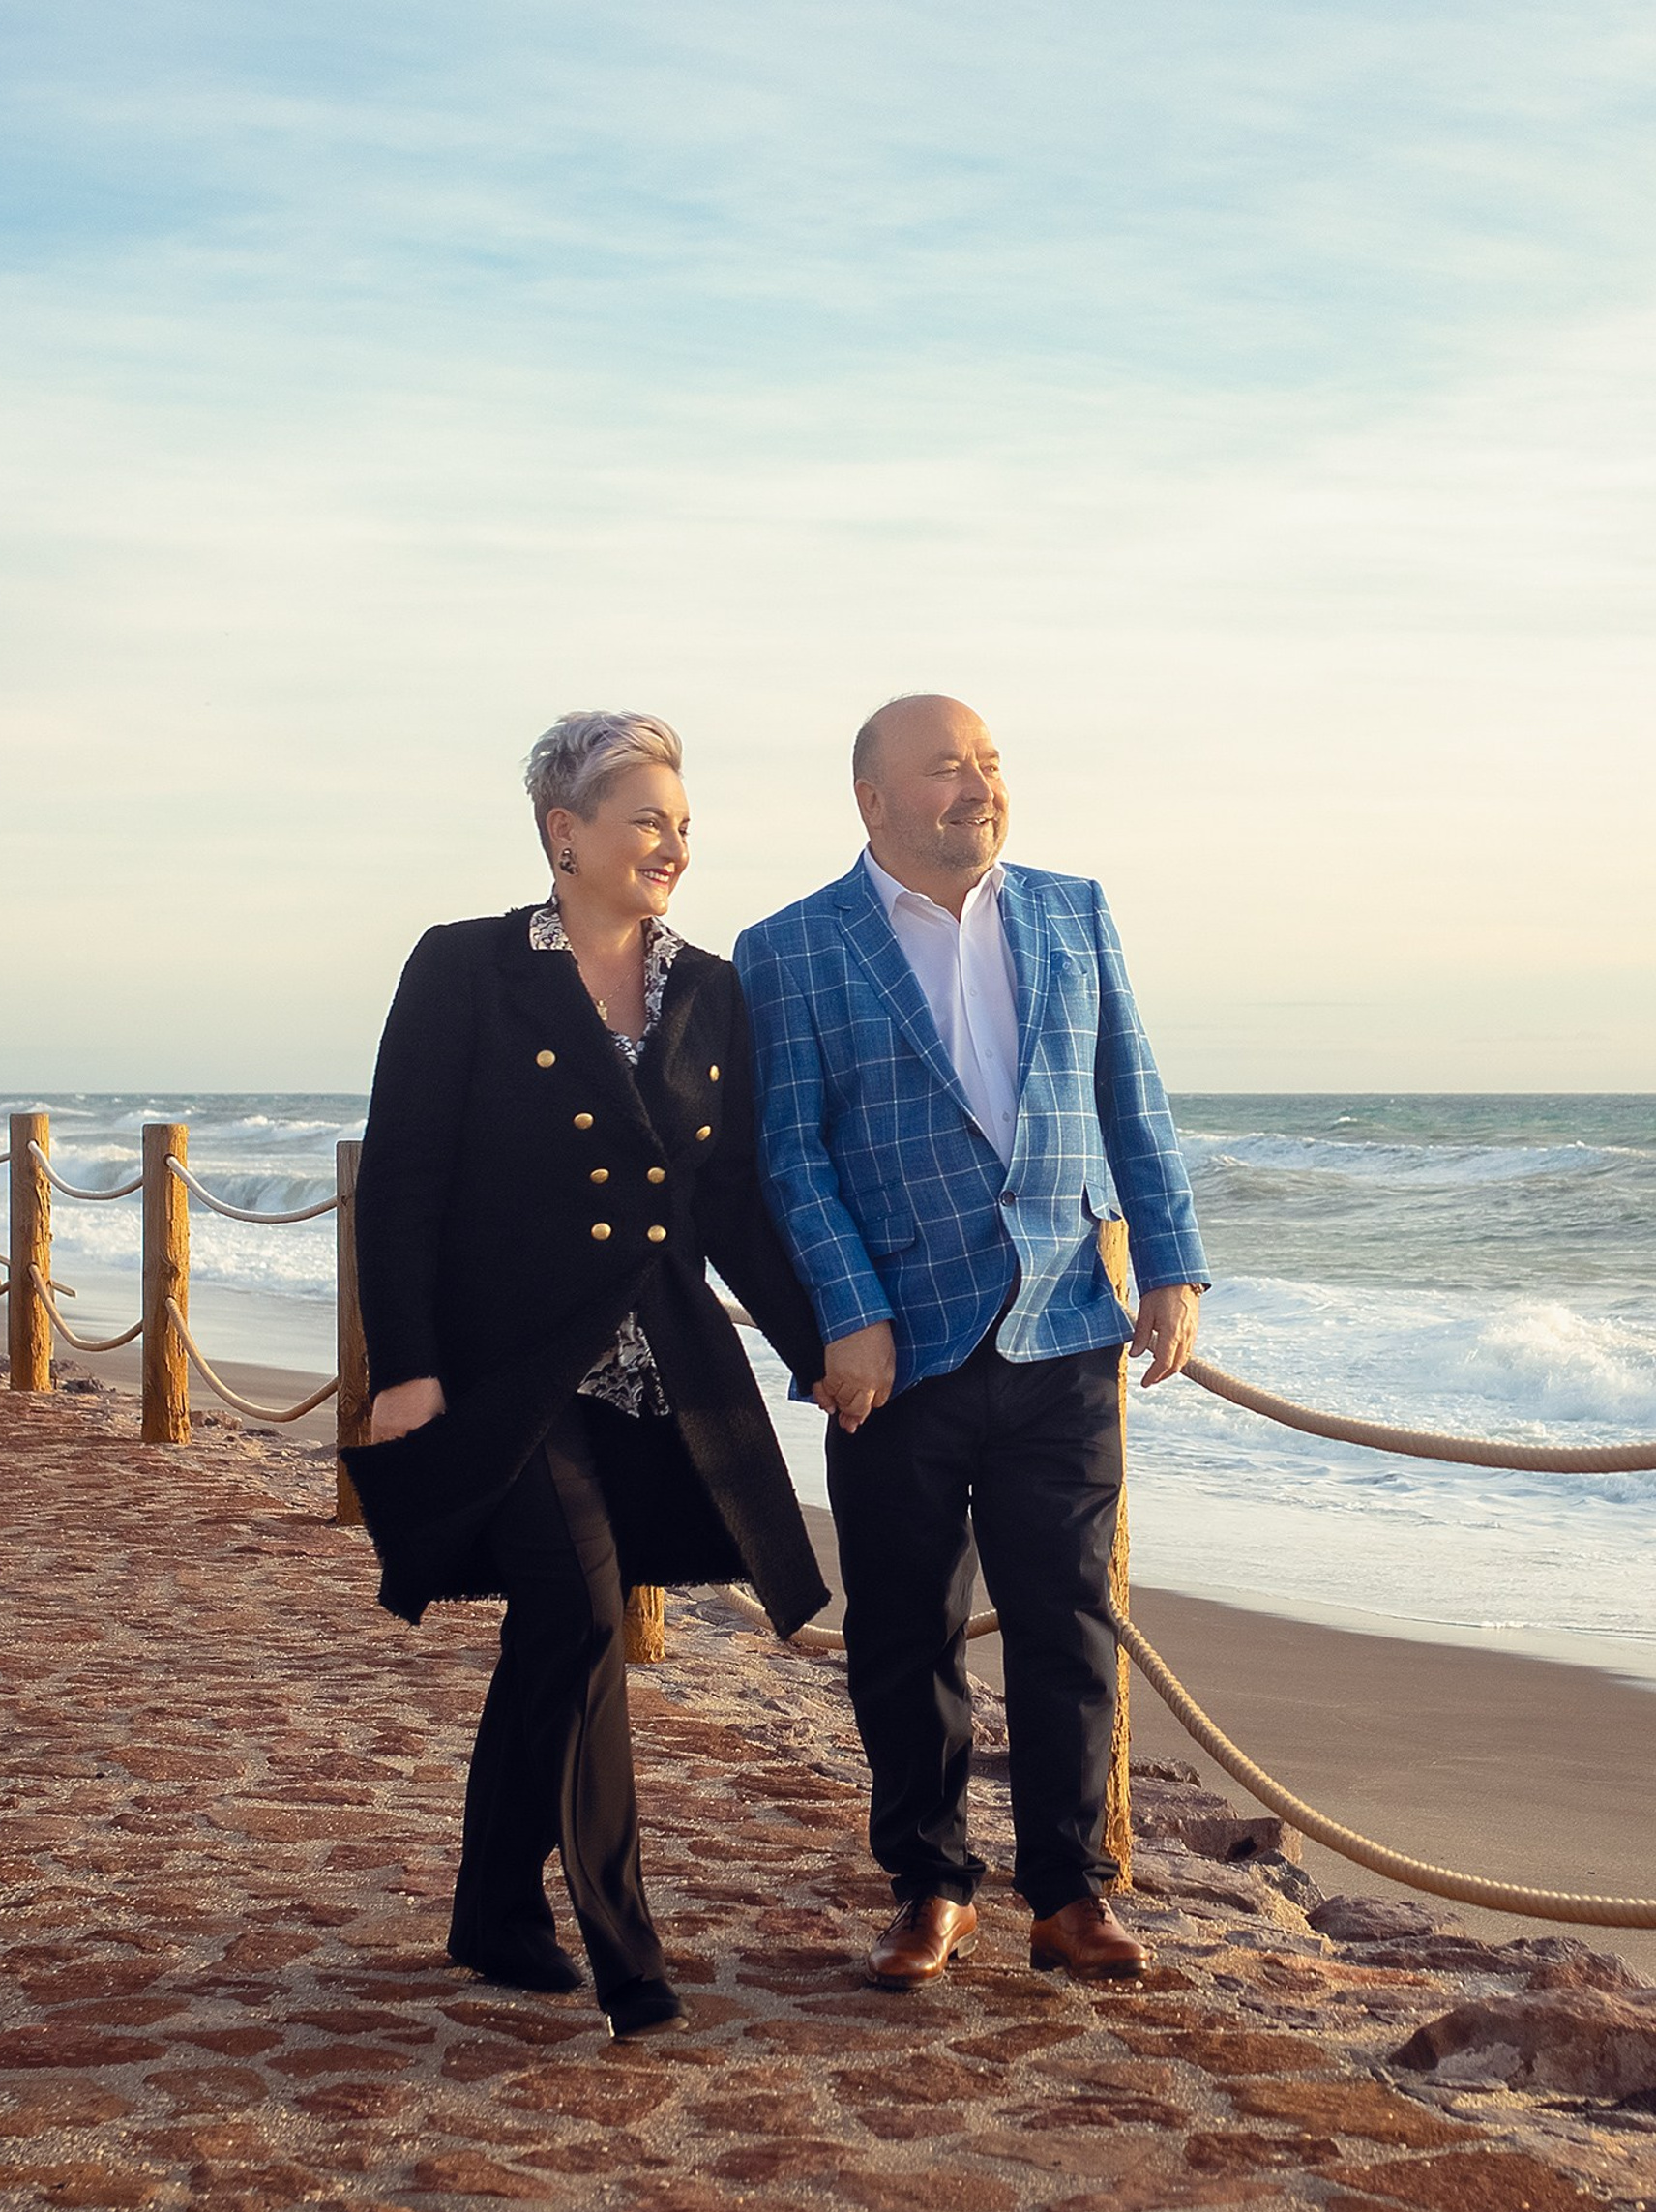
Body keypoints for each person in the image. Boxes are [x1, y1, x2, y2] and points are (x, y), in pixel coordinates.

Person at [342, 710, 831, 2039]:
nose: (675, 842)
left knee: (573, 1624)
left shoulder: (711, 989)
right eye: (647, 818)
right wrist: (408, 1369)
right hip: (508, 1374)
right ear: (565, 832)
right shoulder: (465, 969)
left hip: (655, 1375)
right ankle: (627, 1955)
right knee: (575, 1610)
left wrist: (822, 1347)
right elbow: (401, 1185)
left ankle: (493, 1901)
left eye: (683, 821)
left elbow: (725, 1201)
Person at [735, 693, 1208, 1990]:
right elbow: (791, 1150)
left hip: (1062, 1328)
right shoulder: (789, 948)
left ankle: (1071, 1895)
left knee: (1067, 1626)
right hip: (893, 1355)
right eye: (946, 769)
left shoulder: (1073, 910)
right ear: (874, 799)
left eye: (989, 763)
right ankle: (931, 1886)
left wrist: (1169, 1263)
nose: (976, 787)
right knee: (902, 1633)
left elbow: (1133, 1097)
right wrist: (852, 1313)